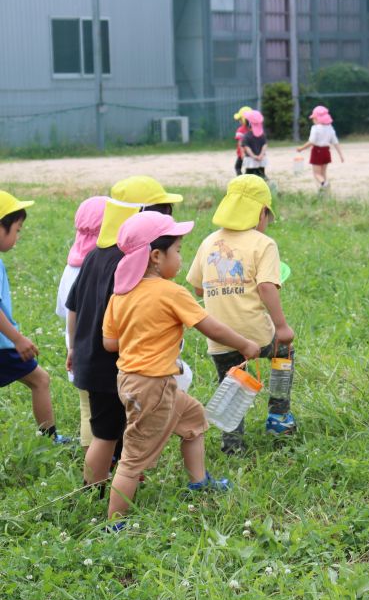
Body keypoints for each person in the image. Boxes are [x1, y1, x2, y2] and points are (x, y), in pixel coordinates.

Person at [103, 211, 260, 522]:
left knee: (193, 418)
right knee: (132, 460)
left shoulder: (120, 295)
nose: (180, 257)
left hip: (131, 380)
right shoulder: (171, 292)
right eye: (178, 251)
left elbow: (110, 343)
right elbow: (210, 327)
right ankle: (114, 525)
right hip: (154, 385)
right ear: (156, 257)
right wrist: (244, 344)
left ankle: (198, 481)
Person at [66, 176, 181, 490]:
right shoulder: (129, 262)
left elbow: (73, 305)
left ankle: (104, 484)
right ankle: (94, 490)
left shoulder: (93, 256)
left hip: (90, 357)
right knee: (106, 434)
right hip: (113, 363)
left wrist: (74, 348)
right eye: (161, 213)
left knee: (109, 429)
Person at [187, 174, 296, 455]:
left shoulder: (209, 242)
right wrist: (281, 327)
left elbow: (198, 288)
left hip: (219, 335)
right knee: (283, 351)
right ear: (262, 212)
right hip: (254, 333)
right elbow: (267, 286)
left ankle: (232, 445)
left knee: (231, 380)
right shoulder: (263, 243)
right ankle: (279, 417)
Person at [0, 190, 70, 443]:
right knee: (40, 380)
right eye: (17, 230)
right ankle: (49, 439)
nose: (18, 236)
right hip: (3, 345)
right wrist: (17, 339)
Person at [56, 196, 107, 452]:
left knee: (86, 408)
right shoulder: (105, 263)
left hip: (75, 351)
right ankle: (106, 459)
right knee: (104, 413)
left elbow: (63, 311)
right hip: (101, 354)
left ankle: (90, 459)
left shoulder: (70, 266)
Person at [297, 105, 344, 190]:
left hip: (317, 151)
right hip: (326, 151)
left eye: (314, 118)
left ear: (317, 118)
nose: (313, 120)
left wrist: (301, 148)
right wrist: (341, 155)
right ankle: (326, 190)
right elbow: (335, 142)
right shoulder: (330, 128)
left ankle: (324, 184)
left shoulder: (315, 128)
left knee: (316, 174)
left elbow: (312, 142)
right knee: (323, 173)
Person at [242, 110, 268, 179]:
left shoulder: (246, 136)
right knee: (261, 175)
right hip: (261, 159)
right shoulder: (262, 135)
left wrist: (254, 156)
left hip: (251, 160)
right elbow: (264, 145)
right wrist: (261, 155)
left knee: (249, 176)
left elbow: (247, 148)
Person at [233, 105, 252, 176]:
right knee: (250, 169)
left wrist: (242, 154)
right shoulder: (253, 130)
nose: (239, 121)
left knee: (237, 167)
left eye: (240, 119)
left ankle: (240, 178)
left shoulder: (240, 130)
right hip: (251, 154)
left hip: (242, 154)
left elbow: (240, 144)